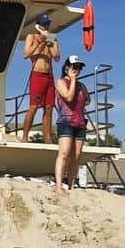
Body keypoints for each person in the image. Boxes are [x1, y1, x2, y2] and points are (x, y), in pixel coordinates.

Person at [53, 55, 89, 196]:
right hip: (66, 121)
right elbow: (68, 97)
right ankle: (58, 185)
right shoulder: (61, 82)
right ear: (67, 68)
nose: (77, 70)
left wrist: (82, 95)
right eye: (74, 67)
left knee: (76, 155)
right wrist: (72, 80)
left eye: (79, 68)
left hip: (79, 122)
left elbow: (87, 99)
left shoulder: (81, 86)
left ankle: (72, 185)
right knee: (64, 153)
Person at [21, 15, 59, 143]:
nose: (46, 26)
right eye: (44, 24)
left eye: (48, 24)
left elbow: (57, 56)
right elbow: (26, 54)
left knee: (49, 107)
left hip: (49, 76)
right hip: (37, 74)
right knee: (33, 107)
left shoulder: (52, 38)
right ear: (38, 25)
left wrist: (49, 42)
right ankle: (25, 136)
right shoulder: (31, 37)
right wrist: (41, 42)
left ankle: (47, 137)